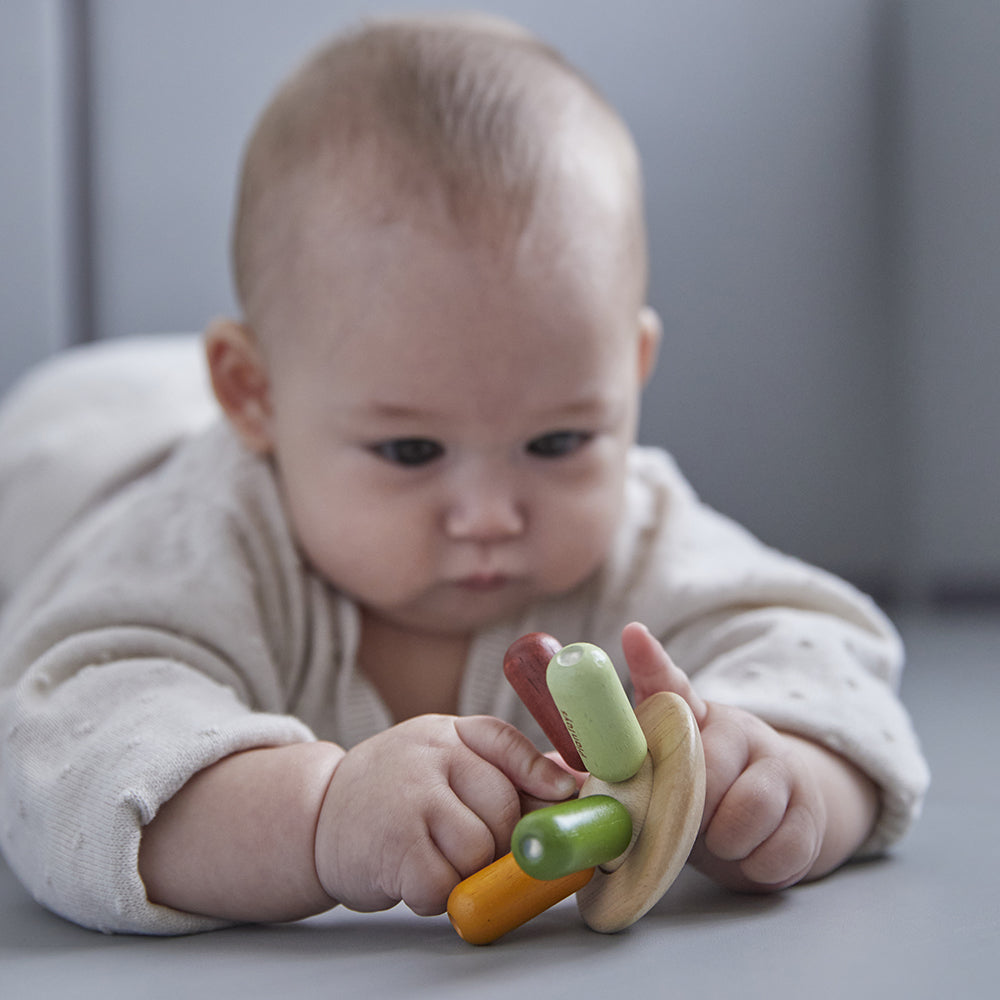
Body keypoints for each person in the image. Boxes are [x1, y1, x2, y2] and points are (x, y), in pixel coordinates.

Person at [0, 13, 928, 936]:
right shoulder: (205, 537)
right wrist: (316, 814)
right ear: (256, 398)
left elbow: (832, 673)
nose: (490, 516)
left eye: (559, 441)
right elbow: (64, 755)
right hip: (73, 466)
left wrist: (778, 777)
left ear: (628, 373)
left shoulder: (642, 535)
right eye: (411, 452)